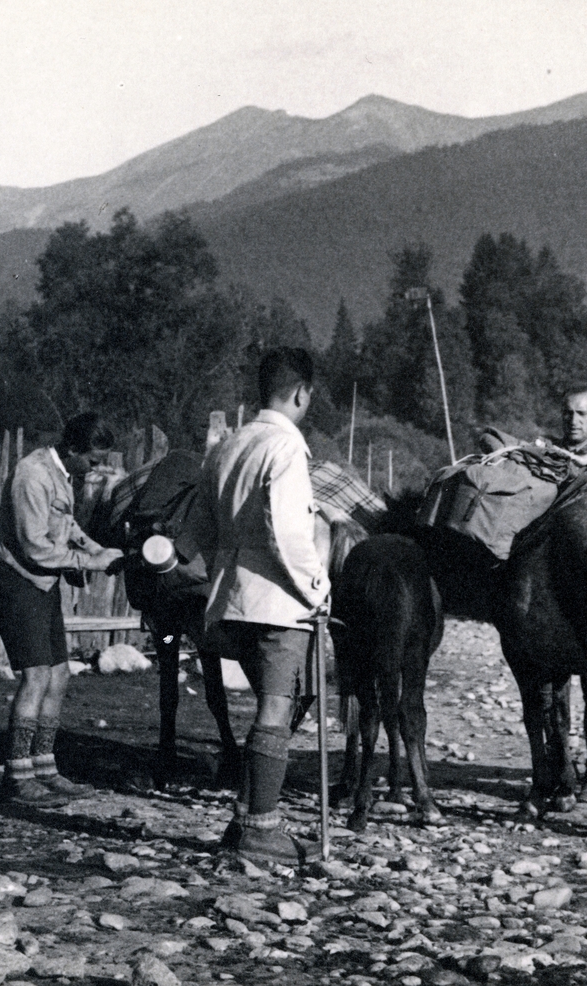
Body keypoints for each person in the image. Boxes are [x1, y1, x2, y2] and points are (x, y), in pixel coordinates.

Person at [182, 347, 331, 866]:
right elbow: (289, 533)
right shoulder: (286, 448)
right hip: (277, 601)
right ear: (300, 393)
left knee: (270, 710)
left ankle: (246, 816)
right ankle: (261, 829)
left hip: (228, 598)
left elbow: (196, 530)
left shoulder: (227, 445)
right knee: (275, 709)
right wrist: (318, 589)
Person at [0, 413, 124, 806]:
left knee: (59, 674)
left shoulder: (61, 472)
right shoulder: (32, 474)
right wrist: (88, 562)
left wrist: (93, 546)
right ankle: (15, 777)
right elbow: (34, 545)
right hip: (18, 579)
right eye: (93, 461)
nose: (96, 469)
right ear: (73, 449)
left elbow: (63, 521)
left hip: (42, 581)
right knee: (36, 676)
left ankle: (44, 768)